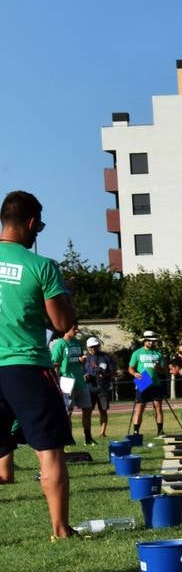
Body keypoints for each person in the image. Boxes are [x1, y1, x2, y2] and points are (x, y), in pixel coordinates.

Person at [0, 191, 77, 538]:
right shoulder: (41, 266)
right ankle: (60, 528)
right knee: (49, 450)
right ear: (31, 224)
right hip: (26, 366)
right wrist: (64, 296)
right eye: (39, 225)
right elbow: (61, 323)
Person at [49, 323, 93, 445]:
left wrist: (81, 360)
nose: (77, 330)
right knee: (68, 411)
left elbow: (79, 359)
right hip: (66, 381)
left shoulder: (77, 343)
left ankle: (88, 437)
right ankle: (68, 438)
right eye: (74, 328)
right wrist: (57, 383)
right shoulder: (60, 344)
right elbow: (55, 364)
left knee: (88, 409)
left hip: (80, 380)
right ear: (66, 329)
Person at [127, 332, 167, 439]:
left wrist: (158, 367)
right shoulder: (137, 353)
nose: (151, 342)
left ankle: (160, 431)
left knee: (158, 407)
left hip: (156, 383)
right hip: (143, 380)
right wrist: (135, 373)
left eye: (153, 341)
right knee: (140, 407)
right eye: (149, 340)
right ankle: (136, 432)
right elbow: (130, 368)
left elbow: (163, 370)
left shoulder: (158, 353)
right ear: (144, 341)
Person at [83, 337, 116, 440]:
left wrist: (105, 374)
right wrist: (85, 376)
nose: (94, 348)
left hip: (103, 388)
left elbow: (112, 371)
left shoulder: (106, 357)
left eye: (96, 346)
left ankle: (102, 433)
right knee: (87, 412)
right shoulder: (85, 358)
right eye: (92, 347)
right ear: (88, 347)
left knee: (103, 410)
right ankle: (88, 434)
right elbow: (80, 371)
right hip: (89, 388)